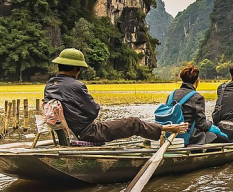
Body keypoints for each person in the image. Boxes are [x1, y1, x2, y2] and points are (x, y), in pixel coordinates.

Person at [44, 48, 187, 144]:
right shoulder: (76, 86)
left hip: (66, 135)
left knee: (122, 123)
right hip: (87, 134)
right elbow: (94, 111)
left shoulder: (50, 85)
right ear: (76, 68)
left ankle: (161, 128)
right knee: (133, 123)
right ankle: (165, 129)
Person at [168, 64, 228, 145]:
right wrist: (211, 124)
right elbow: (202, 125)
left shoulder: (171, 95)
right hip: (189, 136)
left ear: (183, 80)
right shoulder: (197, 97)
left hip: (171, 134)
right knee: (222, 138)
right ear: (197, 80)